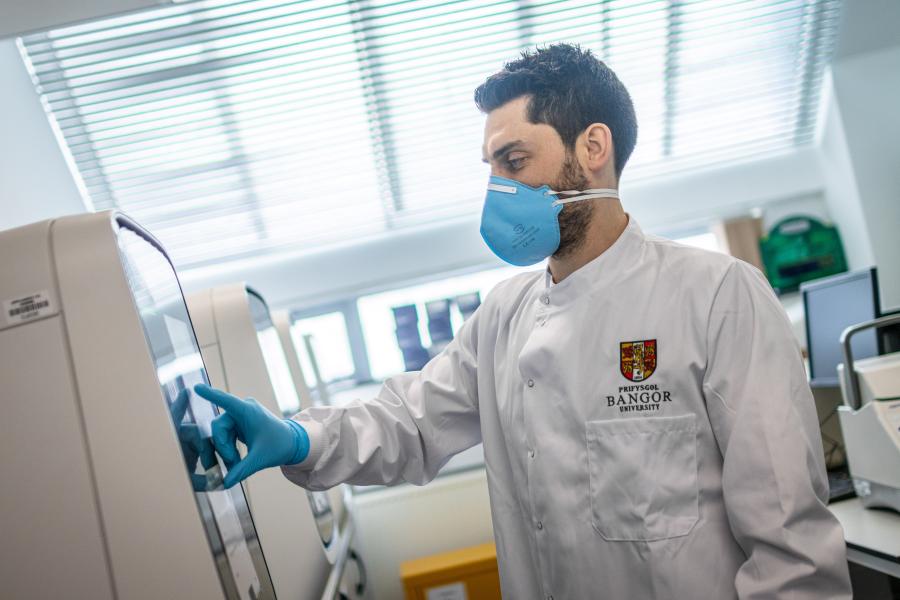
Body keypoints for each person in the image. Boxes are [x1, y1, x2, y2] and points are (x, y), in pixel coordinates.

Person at [193, 44, 851, 599]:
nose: (498, 193)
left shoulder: (716, 296)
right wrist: (297, 437)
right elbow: (408, 424)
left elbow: (792, 550)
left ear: (593, 147)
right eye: (492, 171)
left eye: (514, 162)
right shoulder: (505, 316)